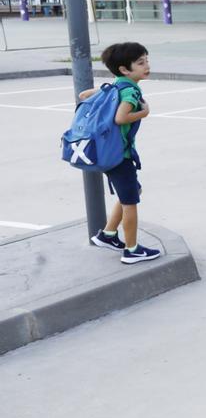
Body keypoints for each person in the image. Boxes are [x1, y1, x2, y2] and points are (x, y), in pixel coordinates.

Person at [82, 42, 161, 265]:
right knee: (130, 202)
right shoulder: (130, 90)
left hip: (109, 154)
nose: (147, 66)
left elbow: (83, 94)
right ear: (125, 70)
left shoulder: (117, 84)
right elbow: (120, 118)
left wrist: (102, 93)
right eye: (140, 63)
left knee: (133, 190)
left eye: (146, 60)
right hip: (120, 156)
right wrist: (144, 112)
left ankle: (107, 235)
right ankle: (132, 249)